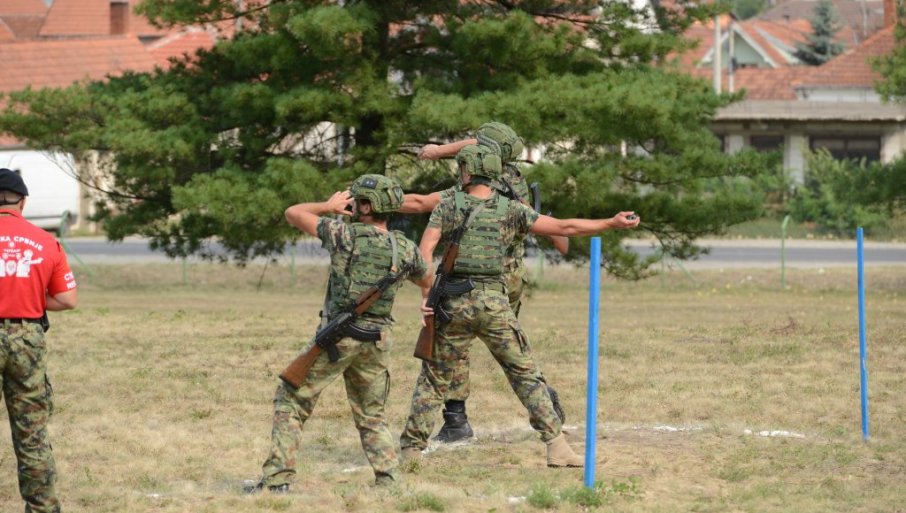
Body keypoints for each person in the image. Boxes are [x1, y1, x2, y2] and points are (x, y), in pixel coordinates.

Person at [399, 145, 639, 467]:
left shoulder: (448, 204)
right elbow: (564, 228)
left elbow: (425, 251)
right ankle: (556, 446)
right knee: (525, 374)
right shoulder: (511, 209)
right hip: (494, 306)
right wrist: (610, 223)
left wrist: (426, 294)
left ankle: (411, 451)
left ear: (468, 172)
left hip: (452, 305)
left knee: (433, 379)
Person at [247, 174, 429, 493]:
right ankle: (389, 482)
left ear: (367, 206)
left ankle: (276, 480)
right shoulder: (404, 248)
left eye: (356, 201)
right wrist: (423, 296)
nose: (352, 205)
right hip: (378, 339)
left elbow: (293, 213)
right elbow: (427, 280)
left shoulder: (343, 234)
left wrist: (328, 206)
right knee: (372, 415)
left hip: (339, 337)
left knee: (291, 399)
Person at [402, 122, 568, 443]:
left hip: (474, 278)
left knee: (455, 342)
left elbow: (422, 203)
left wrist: (373, 202)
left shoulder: (477, 184)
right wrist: (438, 151)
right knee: (510, 348)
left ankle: (456, 419)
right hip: (509, 279)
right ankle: (541, 397)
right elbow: (556, 233)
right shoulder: (515, 180)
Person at [0, 168, 78, 513]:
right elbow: (67, 299)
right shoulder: (46, 241)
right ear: (23, 202)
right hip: (28, 337)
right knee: (31, 433)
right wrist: (30, 298)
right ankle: (43, 508)